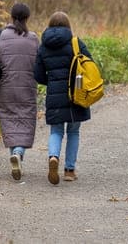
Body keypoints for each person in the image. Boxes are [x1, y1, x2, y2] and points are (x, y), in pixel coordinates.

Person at [34, 11, 92, 185]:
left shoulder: (43, 46)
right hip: (77, 94)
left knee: (56, 131)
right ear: (68, 26)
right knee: (73, 131)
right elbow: (90, 65)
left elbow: (37, 74)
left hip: (54, 95)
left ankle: (53, 157)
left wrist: (51, 82)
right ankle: (69, 170)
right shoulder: (75, 43)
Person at [0, 2, 40, 181]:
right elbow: (38, 62)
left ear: (11, 17)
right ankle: (19, 153)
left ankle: (13, 154)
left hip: (5, 85)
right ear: (27, 18)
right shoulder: (33, 38)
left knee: (9, 119)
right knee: (25, 120)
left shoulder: (1, 36)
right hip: (27, 86)